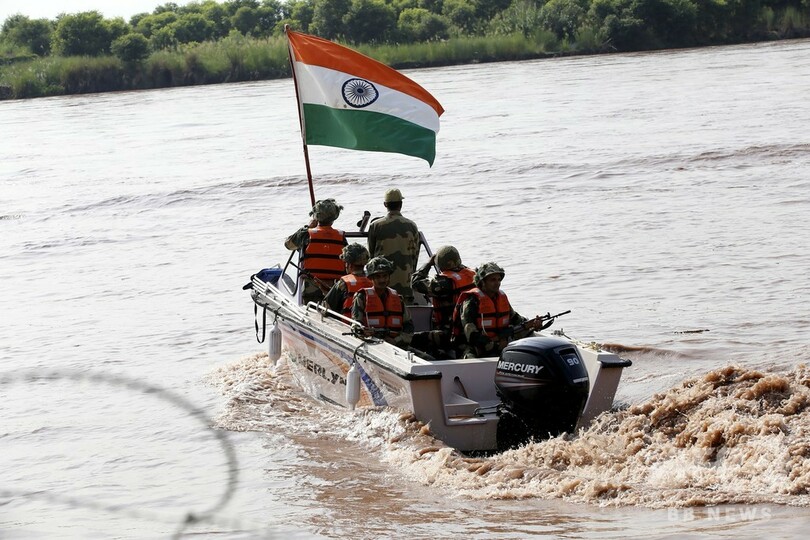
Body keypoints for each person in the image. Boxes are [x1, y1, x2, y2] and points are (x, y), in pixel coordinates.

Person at [452, 262, 549, 358]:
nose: (497, 283)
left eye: (499, 280)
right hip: (474, 347)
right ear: (482, 282)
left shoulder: (501, 298)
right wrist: (496, 346)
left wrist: (533, 324)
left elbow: (517, 319)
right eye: (493, 280)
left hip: (500, 343)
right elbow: (472, 336)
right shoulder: (471, 302)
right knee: (470, 357)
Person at [411, 245, 476, 357]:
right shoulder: (475, 276)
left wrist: (428, 264)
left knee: (411, 339)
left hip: (450, 334)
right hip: (474, 330)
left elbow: (415, 282)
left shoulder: (442, 284)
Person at [284, 198, 347, 304]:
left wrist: (308, 227)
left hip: (312, 286)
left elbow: (288, 244)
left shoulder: (306, 234)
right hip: (335, 288)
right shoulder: (341, 237)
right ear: (334, 217)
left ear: (316, 217)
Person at [367, 188, 420, 304]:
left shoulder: (375, 225)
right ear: (401, 204)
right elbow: (415, 256)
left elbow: (371, 255)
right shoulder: (412, 226)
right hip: (406, 285)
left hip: (382, 285)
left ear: (385, 204)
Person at [352, 256, 414, 349]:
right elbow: (355, 324)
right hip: (371, 345)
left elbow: (409, 326)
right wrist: (363, 331)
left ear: (389, 276)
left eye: (385, 276)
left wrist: (396, 341)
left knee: (428, 359)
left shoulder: (398, 299)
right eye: (378, 276)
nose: (382, 280)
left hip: (396, 346)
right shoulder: (362, 297)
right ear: (371, 278)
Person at [322, 243, 372, 319]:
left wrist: (325, 292)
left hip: (347, 326)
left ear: (349, 265)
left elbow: (327, 308)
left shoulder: (343, 283)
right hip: (372, 326)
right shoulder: (373, 280)